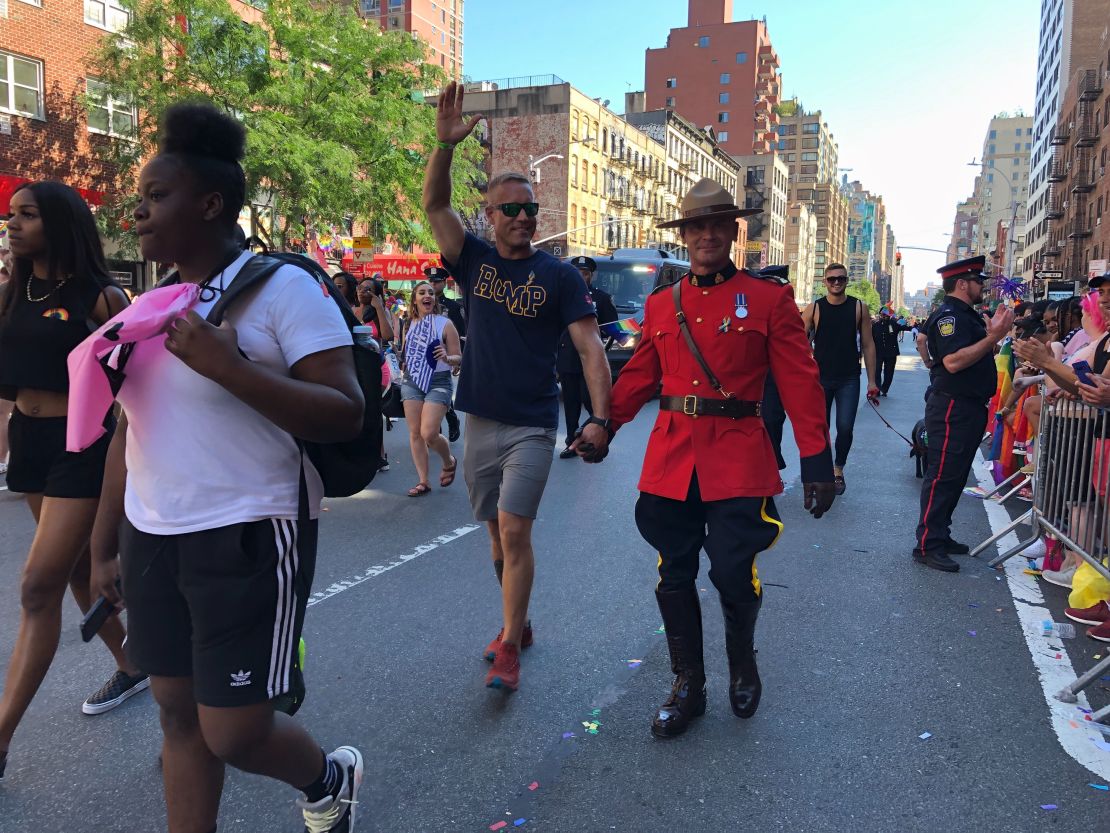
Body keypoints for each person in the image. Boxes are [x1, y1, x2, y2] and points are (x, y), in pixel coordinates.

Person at [88, 102, 365, 832]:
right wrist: (102, 543)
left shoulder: (282, 289)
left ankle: (329, 778)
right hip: (153, 534)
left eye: (155, 197)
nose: (139, 213)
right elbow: (128, 429)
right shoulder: (147, 307)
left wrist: (228, 364)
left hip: (248, 530)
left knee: (234, 730)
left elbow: (346, 408)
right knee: (178, 715)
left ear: (210, 203)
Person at [609, 179, 835, 738]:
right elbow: (640, 374)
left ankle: (742, 659)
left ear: (734, 231)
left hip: (737, 455)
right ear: (684, 235)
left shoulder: (768, 300)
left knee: (734, 571)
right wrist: (602, 425)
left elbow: (801, 381)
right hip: (672, 456)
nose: (707, 234)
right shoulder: (663, 303)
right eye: (696, 226)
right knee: (673, 572)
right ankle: (687, 684)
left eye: (718, 225)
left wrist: (816, 459)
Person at [423, 82, 612, 692]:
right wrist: (445, 147)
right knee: (496, 544)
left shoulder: (558, 275)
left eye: (530, 209)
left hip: (534, 422)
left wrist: (599, 420)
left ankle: (509, 646)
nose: (524, 217)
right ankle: (518, 620)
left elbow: (590, 349)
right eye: (512, 209)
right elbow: (433, 206)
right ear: (491, 215)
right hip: (481, 419)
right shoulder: (473, 259)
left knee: (514, 531)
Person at [0, 181, 140, 778]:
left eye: (26, 215)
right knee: (80, 573)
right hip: (29, 443)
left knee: (38, 587)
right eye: (10, 216)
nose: (12, 225)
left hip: (82, 448)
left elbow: (141, 393)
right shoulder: (12, 293)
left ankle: (0, 742)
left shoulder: (102, 297)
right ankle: (139, 666)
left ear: (60, 223)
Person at [913, 255, 1013, 572]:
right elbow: (955, 361)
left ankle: (940, 535)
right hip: (953, 405)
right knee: (942, 475)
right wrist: (993, 337)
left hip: (967, 405)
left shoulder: (964, 315)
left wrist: (991, 337)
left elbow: (925, 341)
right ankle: (928, 544)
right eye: (977, 280)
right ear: (962, 283)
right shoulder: (950, 316)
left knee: (955, 475)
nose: (982, 285)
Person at [801, 264, 879, 495]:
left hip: (849, 378)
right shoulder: (814, 308)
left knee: (844, 427)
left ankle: (837, 470)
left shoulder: (859, 307)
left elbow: (868, 344)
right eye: (832, 279)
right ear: (824, 281)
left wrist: (873, 381)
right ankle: (822, 472)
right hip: (820, 378)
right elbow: (798, 342)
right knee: (819, 428)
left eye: (841, 279)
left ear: (847, 281)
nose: (836, 282)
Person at [398, 280, 462, 496]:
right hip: (412, 381)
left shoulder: (445, 324)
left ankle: (448, 460)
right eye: (422, 293)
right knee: (415, 433)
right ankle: (423, 481)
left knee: (429, 433)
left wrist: (447, 356)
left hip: (438, 381)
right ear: (415, 300)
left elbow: (458, 358)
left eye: (430, 293)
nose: (428, 296)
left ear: (434, 300)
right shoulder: (408, 324)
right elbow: (405, 352)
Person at [558, 255, 617, 459]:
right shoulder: (560, 297)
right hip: (567, 357)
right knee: (571, 402)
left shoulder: (601, 298)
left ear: (591, 276)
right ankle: (570, 442)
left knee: (589, 399)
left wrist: (603, 346)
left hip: (591, 359)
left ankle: (596, 434)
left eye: (585, 274)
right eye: (577, 273)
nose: (581, 277)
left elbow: (613, 328)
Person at [425, 265, 462, 443]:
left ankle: (450, 417)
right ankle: (436, 428)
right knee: (426, 390)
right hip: (423, 355)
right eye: (430, 281)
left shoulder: (452, 306)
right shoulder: (420, 304)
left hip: (445, 355)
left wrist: (457, 360)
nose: (432, 284)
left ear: (444, 283)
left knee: (440, 389)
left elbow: (461, 332)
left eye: (436, 281)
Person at [872, 308, 910, 396]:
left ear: (889, 315)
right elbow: (871, 338)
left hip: (891, 353)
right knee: (876, 371)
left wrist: (915, 328)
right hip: (878, 352)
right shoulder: (876, 325)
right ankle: (877, 389)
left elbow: (905, 327)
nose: (883, 316)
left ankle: (885, 389)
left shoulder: (893, 324)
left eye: (885, 315)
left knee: (889, 372)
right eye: (881, 314)